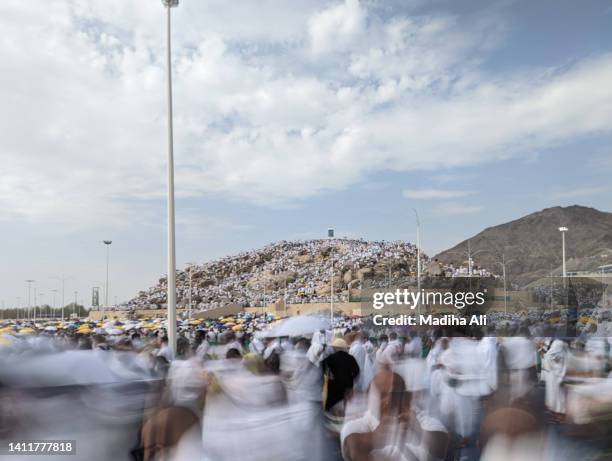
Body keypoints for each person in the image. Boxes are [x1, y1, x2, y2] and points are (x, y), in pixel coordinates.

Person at [322, 338, 360, 412]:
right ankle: (345, 417)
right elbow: (356, 371)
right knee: (346, 403)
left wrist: (329, 374)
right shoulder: (350, 358)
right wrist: (351, 378)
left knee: (333, 402)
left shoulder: (331, 357)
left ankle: (333, 417)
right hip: (347, 384)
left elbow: (323, 365)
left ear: (335, 347)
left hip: (334, 384)